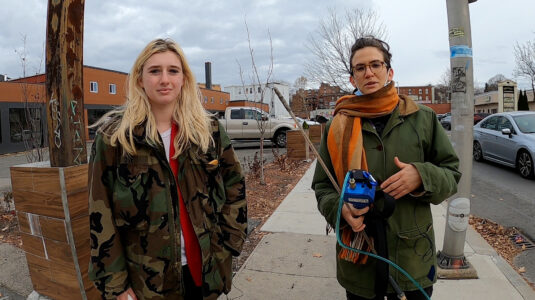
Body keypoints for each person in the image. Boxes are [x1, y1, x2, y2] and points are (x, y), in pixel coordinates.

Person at [88, 38, 247, 300]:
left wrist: (229, 244)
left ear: (184, 78)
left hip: (204, 273)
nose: (165, 79)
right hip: (148, 284)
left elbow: (235, 185)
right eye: (154, 71)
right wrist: (116, 285)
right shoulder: (115, 138)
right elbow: (100, 213)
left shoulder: (208, 132)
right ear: (140, 79)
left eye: (173, 71)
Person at [312, 36, 461, 300]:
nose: (368, 72)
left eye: (376, 65)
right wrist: (339, 209)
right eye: (360, 68)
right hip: (360, 262)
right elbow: (323, 185)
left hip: (412, 260)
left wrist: (421, 176)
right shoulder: (337, 126)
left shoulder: (422, 119)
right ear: (352, 79)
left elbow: (451, 174)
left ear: (389, 71)